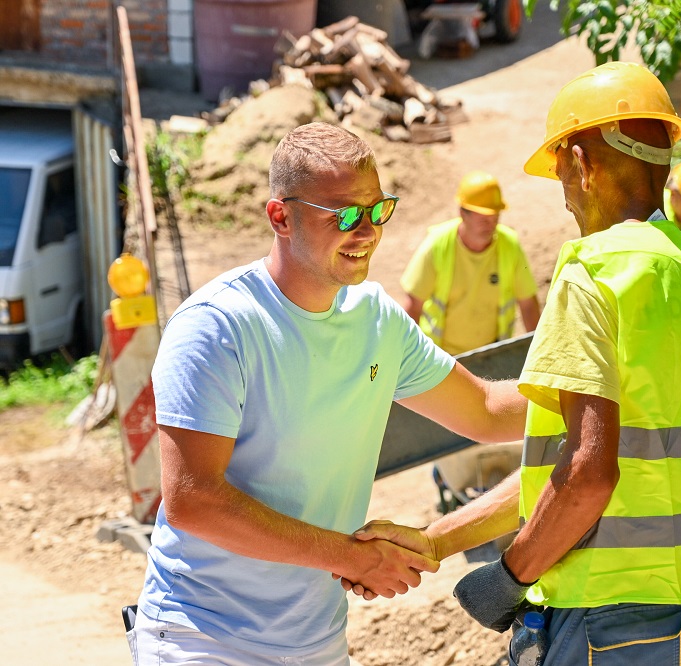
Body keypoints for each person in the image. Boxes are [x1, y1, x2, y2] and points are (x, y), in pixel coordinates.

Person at [352, 62, 681, 665]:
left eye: (559, 175)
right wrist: (435, 542)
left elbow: (586, 475)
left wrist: (512, 575)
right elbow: (573, 469)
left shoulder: (593, 272)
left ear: (579, 160)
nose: (566, 195)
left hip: (616, 622)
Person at [132, 122, 527, 664]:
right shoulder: (218, 326)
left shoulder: (377, 319)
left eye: (376, 211)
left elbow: (484, 410)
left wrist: (599, 395)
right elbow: (193, 501)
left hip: (317, 643)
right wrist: (352, 557)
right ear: (280, 216)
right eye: (344, 215)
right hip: (203, 640)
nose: (366, 231)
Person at [400, 170, 540, 355]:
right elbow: (413, 306)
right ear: (462, 213)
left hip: (492, 355)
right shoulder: (437, 245)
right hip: (440, 358)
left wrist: (537, 354)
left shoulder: (510, 245)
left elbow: (528, 304)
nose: (490, 225)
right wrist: (408, 357)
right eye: (482, 218)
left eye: (495, 217)